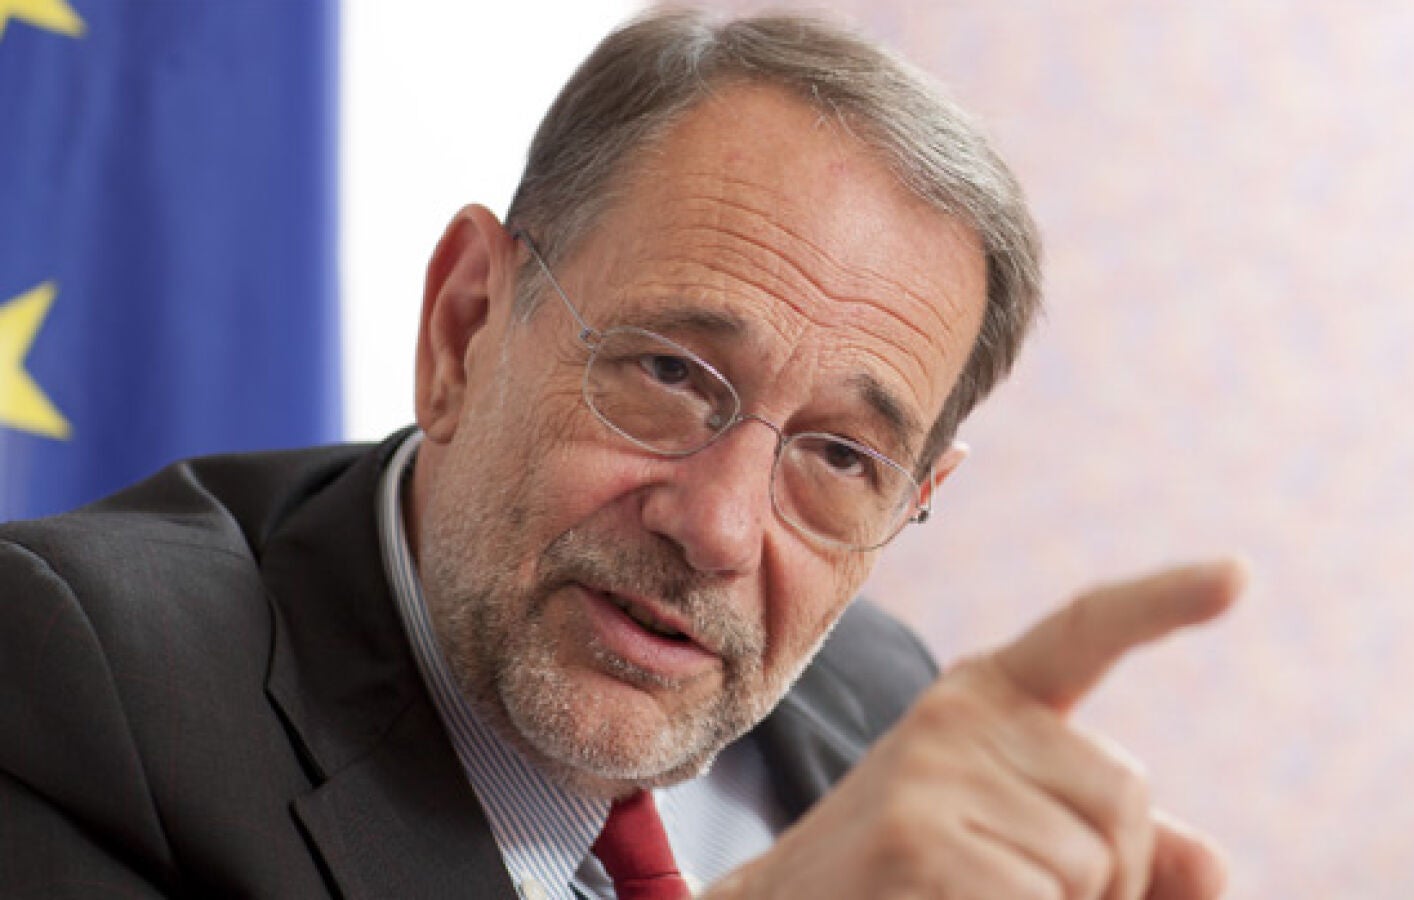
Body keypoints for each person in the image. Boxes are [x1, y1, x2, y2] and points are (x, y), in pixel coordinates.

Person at [0, 9, 1243, 899]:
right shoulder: (77, 674)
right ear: (465, 328)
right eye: (669, 376)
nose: (718, 529)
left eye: (840, 458)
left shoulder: (877, 697)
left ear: (917, 496)